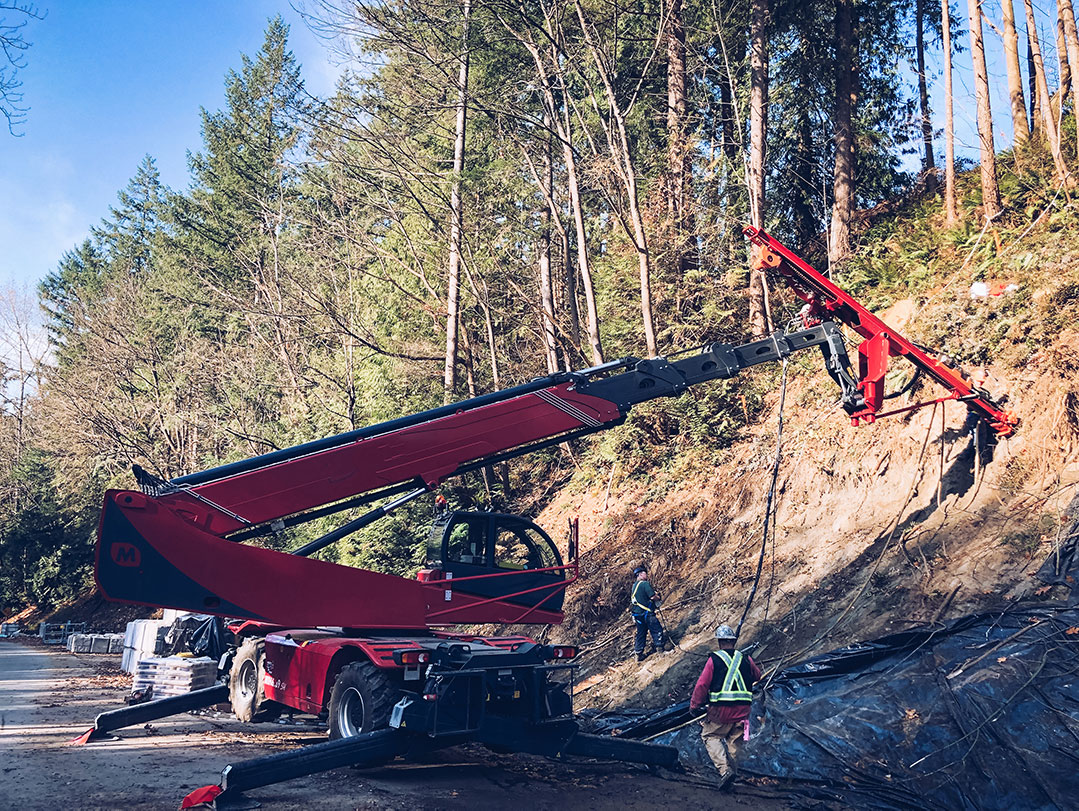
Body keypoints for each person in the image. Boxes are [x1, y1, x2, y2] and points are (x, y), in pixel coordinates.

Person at [689, 624, 761, 785]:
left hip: (720, 712)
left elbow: (702, 685)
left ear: (720, 642)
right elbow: (758, 676)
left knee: (710, 736)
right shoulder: (746, 658)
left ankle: (724, 771)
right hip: (743, 711)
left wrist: (695, 705)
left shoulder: (714, 660)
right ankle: (733, 773)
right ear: (734, 641)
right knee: (735, 742)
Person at [630, 565, 666, 662]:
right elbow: (652, 597)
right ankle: (660, 650)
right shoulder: (645, 584)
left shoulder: (634, 586)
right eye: (645, 573)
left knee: (641, 634)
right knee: (656, 629)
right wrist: (658, 597)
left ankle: (638, 654)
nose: (646, 575)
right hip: (647, 613)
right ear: (641, 574)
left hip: (638, 615)